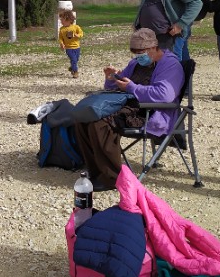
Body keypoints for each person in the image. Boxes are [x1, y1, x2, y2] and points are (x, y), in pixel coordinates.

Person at [73, 28, 184, 191]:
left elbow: (165, 95)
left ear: (154, 47)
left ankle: (111, 178)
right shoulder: (136, 63)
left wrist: (132, 87)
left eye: (142, 52)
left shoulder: (170, 64)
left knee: (100, 121)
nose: (139, 56)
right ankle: (96, 170)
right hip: (128, 105)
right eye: (136, 52)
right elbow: (120, 86)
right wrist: (111, 78)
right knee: (85, 116)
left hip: (150, 112)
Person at [58, 10, 84, 78]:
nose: (61, 21)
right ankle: (75, 72)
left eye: (62, 20)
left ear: (69, 20)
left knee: (76, 59)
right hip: (68, 48)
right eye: (60, 20)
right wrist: (62, 44)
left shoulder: (76, 27)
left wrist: (77, 35)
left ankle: (72, 67)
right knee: (73, 60)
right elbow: (60, 38)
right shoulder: (61, 29)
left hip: (77, 47)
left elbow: (81, 34)